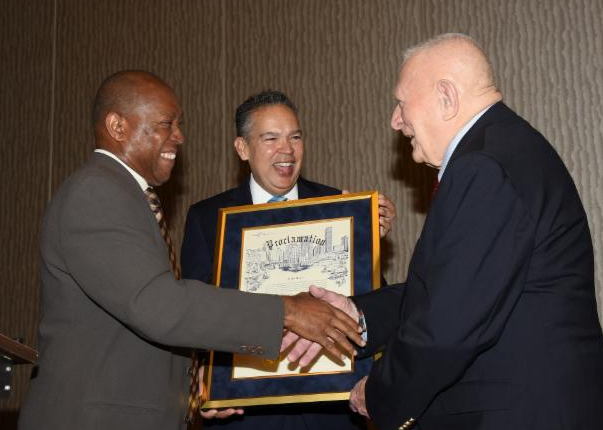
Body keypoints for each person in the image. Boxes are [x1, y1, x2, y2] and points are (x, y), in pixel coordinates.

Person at [289, 33, 603, 430]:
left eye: (402, 103)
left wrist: (382, 394)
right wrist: (359, 315)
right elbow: (450, 291)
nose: (395, 121)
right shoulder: (503, 149)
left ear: (446, 97)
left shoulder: (484, 166)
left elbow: (447, 326)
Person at [18, 71, 364, 430]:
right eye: (166, 124)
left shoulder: (124, 194)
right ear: (117, 126)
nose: (179, 137)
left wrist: (200, 390)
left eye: (179, 125)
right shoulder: (97, 191)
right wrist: (287, 311)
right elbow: (159, 306)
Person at [180, 90, 396, 429]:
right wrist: (205, 387)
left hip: (332, 410)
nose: (287, 150)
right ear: (242, 148)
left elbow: (375, 310)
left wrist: (367, 245)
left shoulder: (339, 207)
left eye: (295, 137)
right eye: (271, 138)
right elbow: (198, 316)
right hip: (246, 412)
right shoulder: (208, 218)